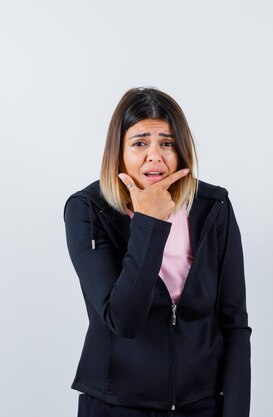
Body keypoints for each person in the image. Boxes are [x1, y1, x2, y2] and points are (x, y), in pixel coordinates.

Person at [63, 87, 251, 417]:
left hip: (202, 404)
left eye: (166, 142)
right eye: (139, 143)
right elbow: (123, 319)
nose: (155, 156)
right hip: (115, 405)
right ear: (117, 152)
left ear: (181, 150)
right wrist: (149, 222)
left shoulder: (213, 206)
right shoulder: (89, 210)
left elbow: (233, 322)